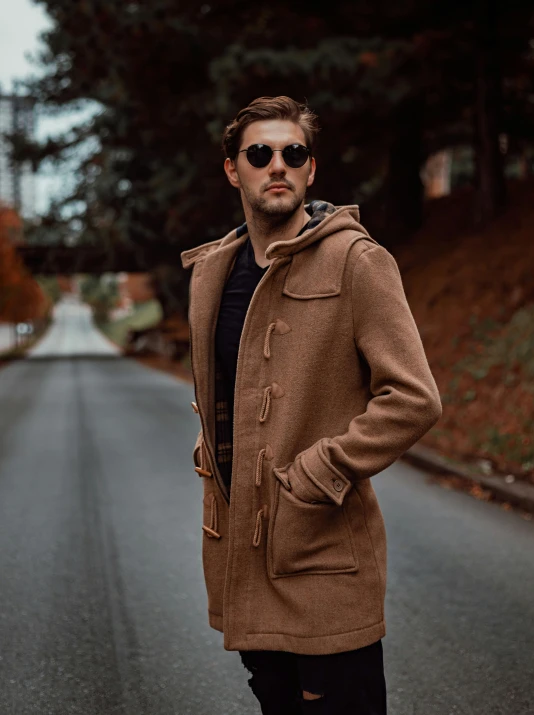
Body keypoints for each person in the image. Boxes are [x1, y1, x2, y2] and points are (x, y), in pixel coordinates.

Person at [181, 96, 442, 714]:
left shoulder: (357, 261)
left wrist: (320, 471)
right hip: (241, 555)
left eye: (292, 153)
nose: (278, 165)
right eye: (260, 154)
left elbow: (413, 397)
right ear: (232, 170)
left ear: (311, 170)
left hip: (322, 554)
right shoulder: (212, 274)